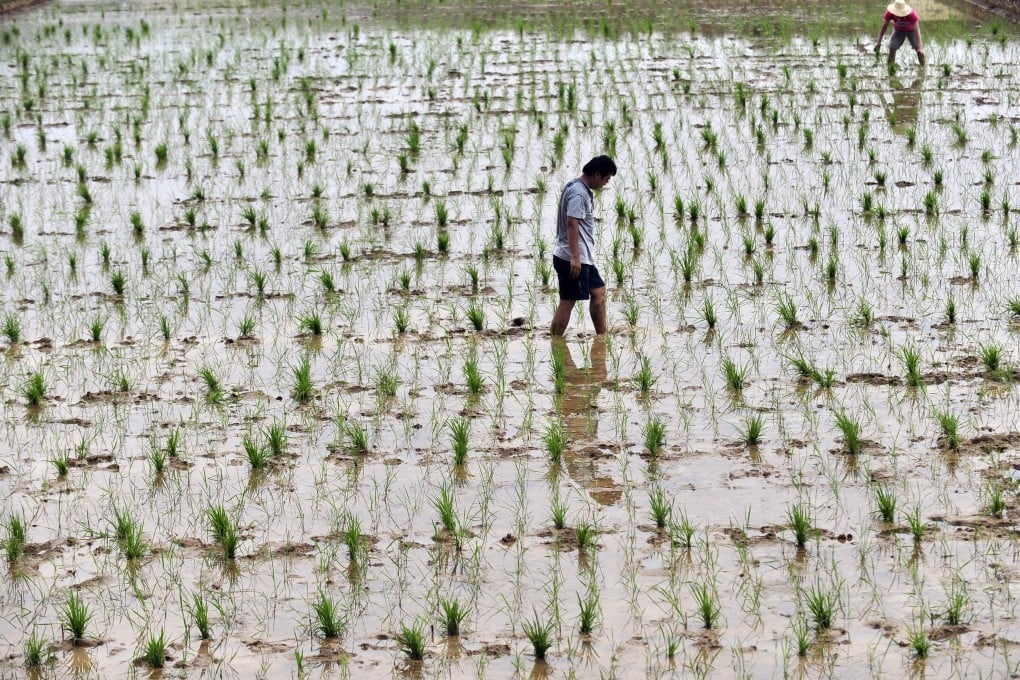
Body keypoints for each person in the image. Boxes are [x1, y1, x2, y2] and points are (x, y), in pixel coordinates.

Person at [550, 155, 617, 336]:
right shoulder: (579, 193)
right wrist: (576, 258)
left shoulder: (576, 186)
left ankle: (602, 338)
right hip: (572, 257)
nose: (605, 183)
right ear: (597, 174)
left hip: (582, 256)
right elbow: (572, 223)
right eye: (606, 179)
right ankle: (555, 344)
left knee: (598, 293)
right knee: (568, 301)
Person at [875, 0, 925, 65]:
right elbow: (884, 27)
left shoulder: (911, 14)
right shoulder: (890, 13)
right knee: (892, 48)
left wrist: (919, 47)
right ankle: (890, 68)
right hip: (898, 31)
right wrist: (878, 42)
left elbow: (917, 30)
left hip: (911, 31)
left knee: (919, 52)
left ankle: (923, 67)